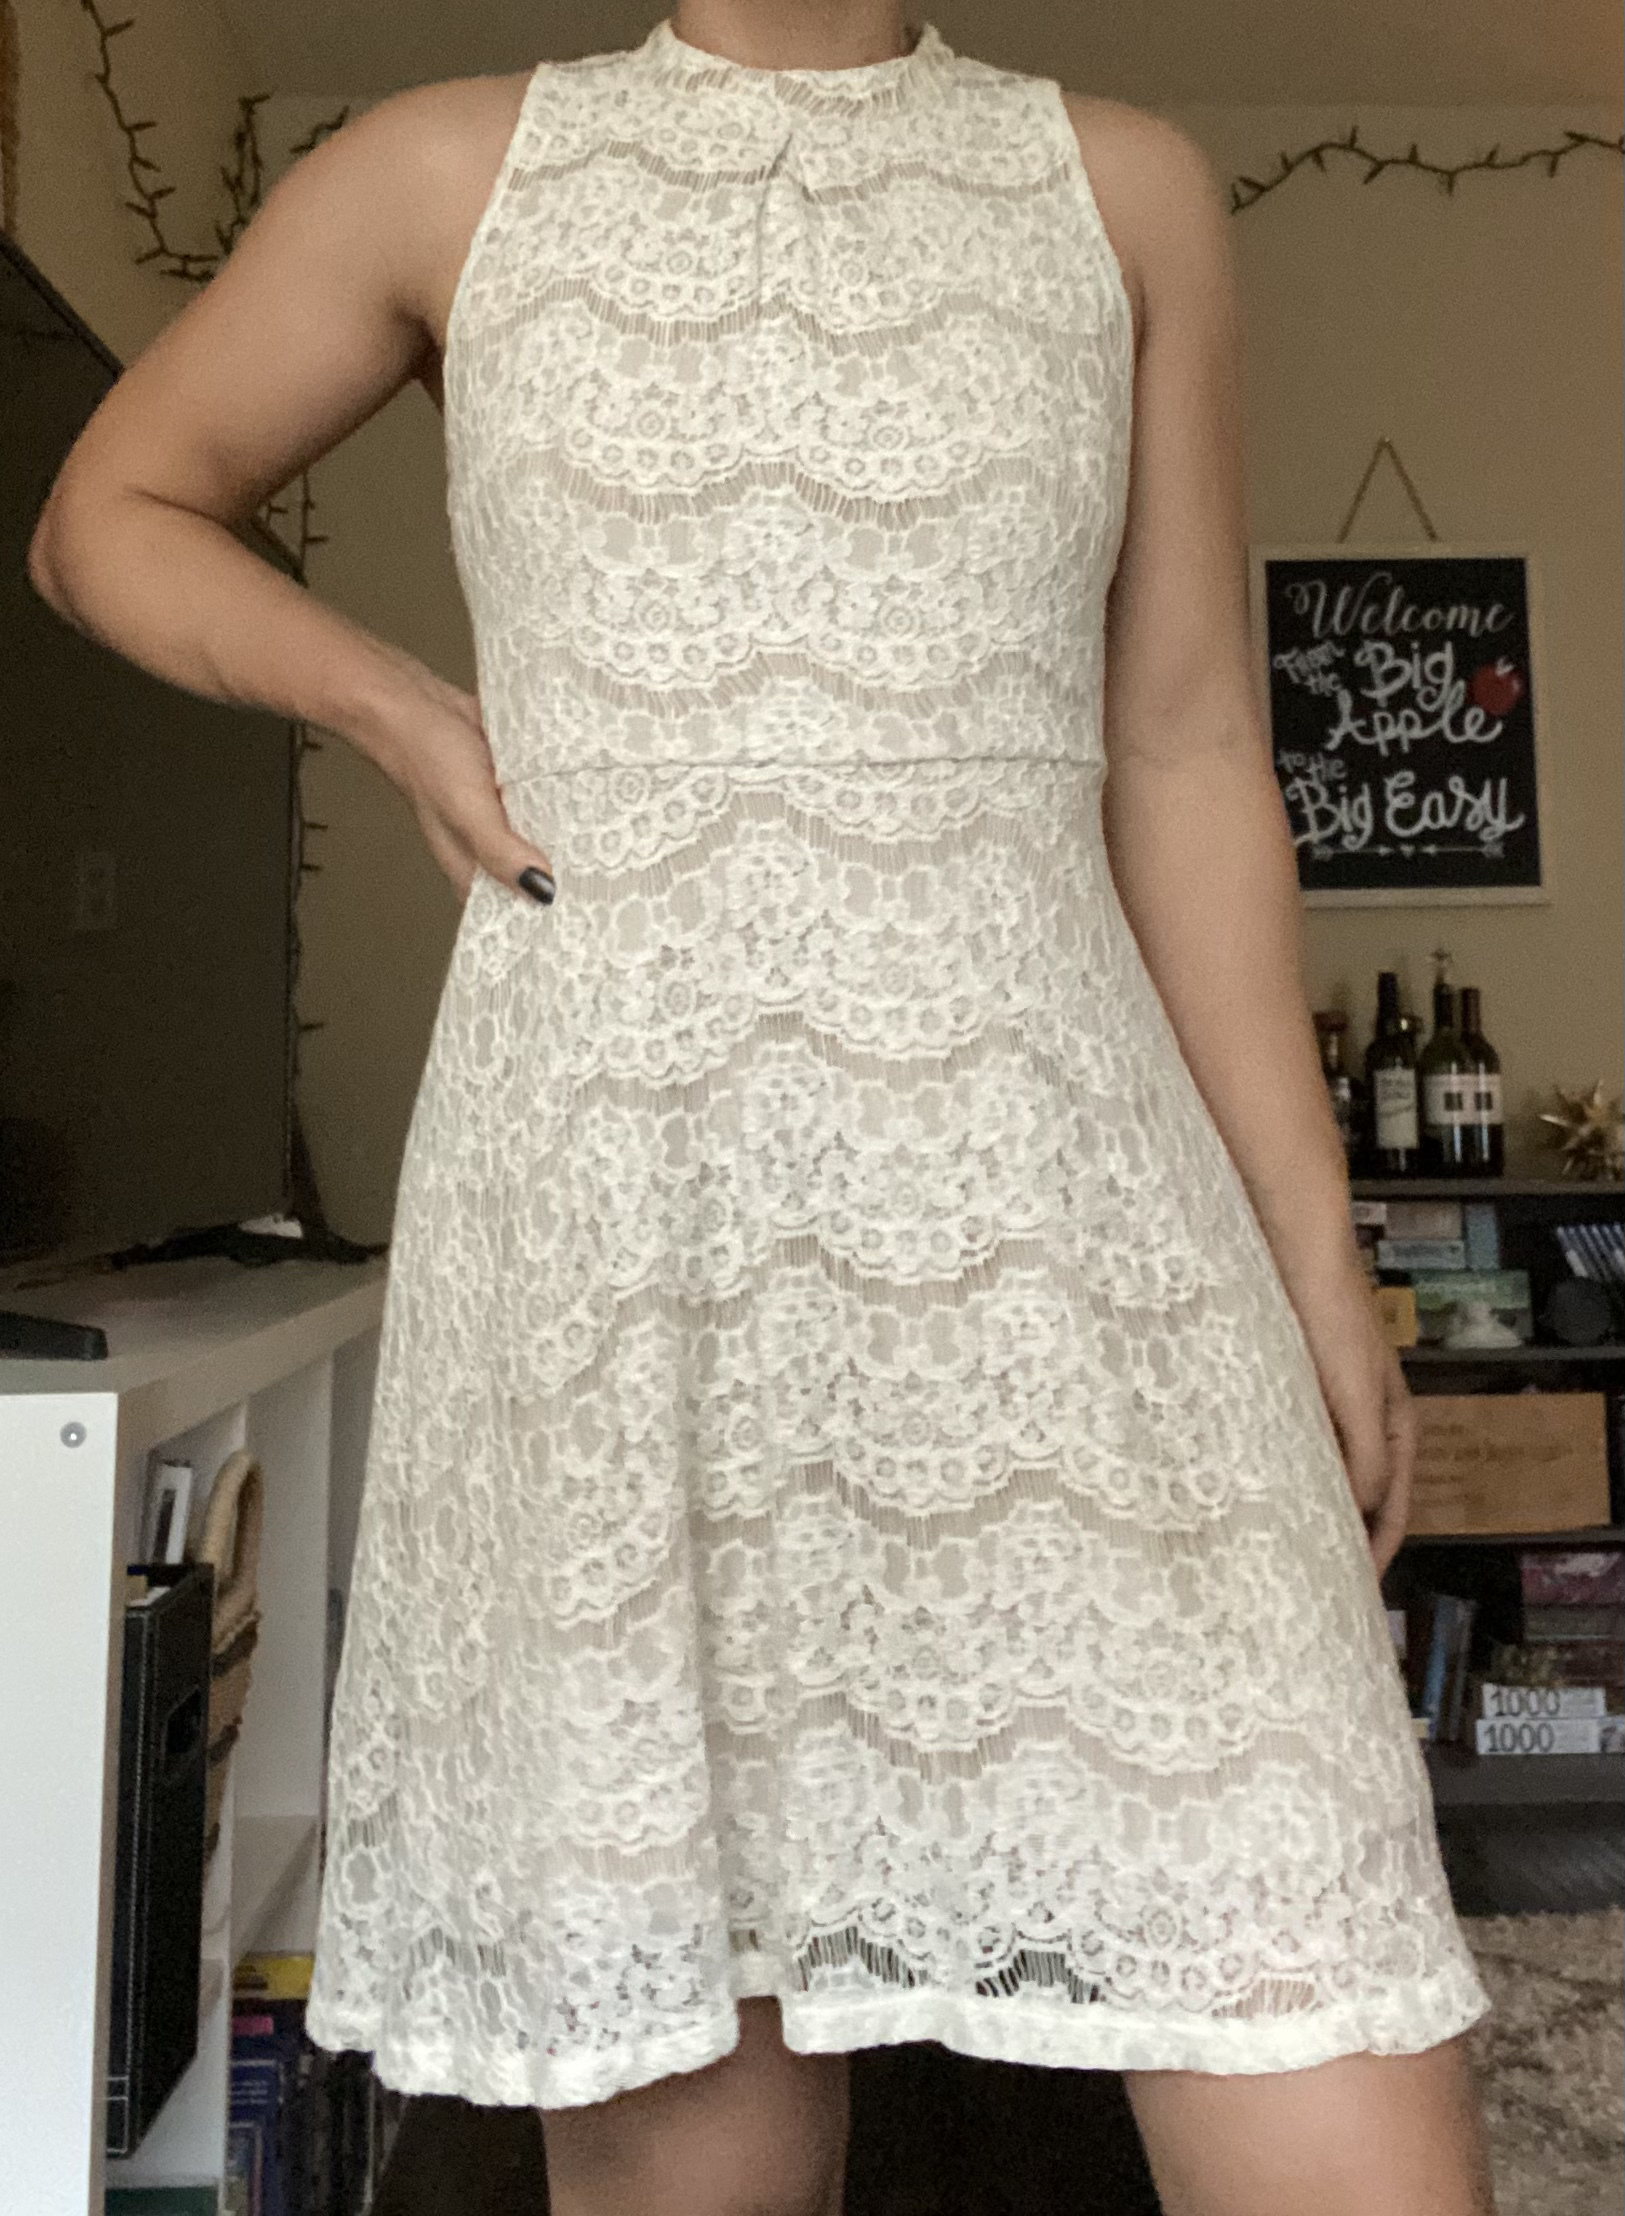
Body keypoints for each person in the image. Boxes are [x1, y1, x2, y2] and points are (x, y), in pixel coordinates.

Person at [30, 5, 1499, 2211]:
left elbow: (1189, 748)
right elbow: (106, 517)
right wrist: (405, 708)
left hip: (1064, 1211)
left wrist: (1320, 1254)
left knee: (1322, 1997)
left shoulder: (1125, 190)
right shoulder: (442, 172)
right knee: (691, 2105)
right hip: (630, 1216)